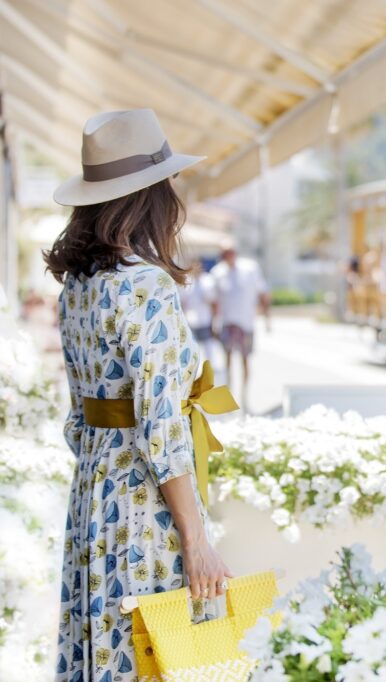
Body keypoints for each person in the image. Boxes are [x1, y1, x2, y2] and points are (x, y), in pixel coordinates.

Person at [45, 109, 234, 680]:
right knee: (161, 650)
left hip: (94, 494)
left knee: (103, 639)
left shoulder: (77, 287)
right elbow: (161, 425)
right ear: (151, 196)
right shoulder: (145, 285)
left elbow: (79, 420)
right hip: (142, 502)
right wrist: (195, 537)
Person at [211, 241, 269, 411]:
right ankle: (229, 396)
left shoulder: (250, 269)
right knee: (227, 361)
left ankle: (244, 397)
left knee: (245, 360)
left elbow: (263, 292)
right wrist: (215, 323)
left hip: (246, 322)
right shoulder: (218, 272)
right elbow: (215, 302)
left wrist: (266, 317)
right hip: (227, 322)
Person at [179, 257, 219, 377]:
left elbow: (214, 303)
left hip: (205, 319)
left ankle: (209, 371)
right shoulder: (187, 282)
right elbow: (183, 303)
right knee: (192, 350)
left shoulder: (208, 281)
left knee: (208, 348)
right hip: (191, 321)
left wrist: (215, 321)